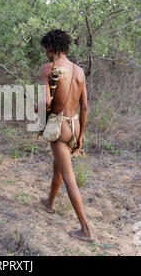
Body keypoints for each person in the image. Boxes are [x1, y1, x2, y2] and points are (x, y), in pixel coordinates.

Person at [38, 29, 92, 241]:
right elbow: (85, 106)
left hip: (59, 126)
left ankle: (85, 229)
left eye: (46, 49)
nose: (45, 53)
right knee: (58, 166)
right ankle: (50, 203)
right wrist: (80, 137)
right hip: (75, 123)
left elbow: (46, 103)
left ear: (51, 47)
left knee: (69, 178)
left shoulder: (48, 69)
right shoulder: (79, 71)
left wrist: (38, 108)